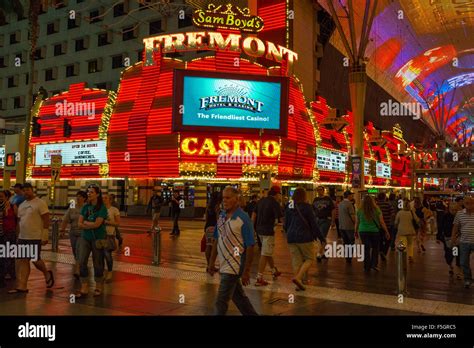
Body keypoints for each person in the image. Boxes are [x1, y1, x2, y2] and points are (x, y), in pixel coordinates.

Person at [207, 186, 257, 316]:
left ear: (237, 199)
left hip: (234, 266)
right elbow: (217, 240)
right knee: (240, 299)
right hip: (224, 265)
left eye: (228, 198)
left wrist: (246, 271)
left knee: (221, 302)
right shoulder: (222, 216)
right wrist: (211, 263)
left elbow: (251, 246)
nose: (225, 200)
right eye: (223, 198)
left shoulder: (243, 218)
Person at [8, 183, 54, 294]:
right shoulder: (22, 205)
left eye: (28, 190)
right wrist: (18, 236)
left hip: (34, 236)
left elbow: (46, 219)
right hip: (23, 237)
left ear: (32, 190)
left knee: (35, 260)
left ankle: (46, 273)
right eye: (24, 190)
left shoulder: (40, 203)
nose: (26, 192)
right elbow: (19, 222)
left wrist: (45, 235)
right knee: (23, 260)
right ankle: (22, 286)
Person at [284, 187, 321, 291]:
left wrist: (288, 232)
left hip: (291, 237)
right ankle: (298, 278)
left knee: (296, 261)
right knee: (309, 258)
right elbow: (313, 224)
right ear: (304, 196)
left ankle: (299, 283)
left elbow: (286, 222)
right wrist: (321, 237)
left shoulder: (289, 205)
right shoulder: (307, 207)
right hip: (304, 236)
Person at [76, 184, 108, 297]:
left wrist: (86, 223)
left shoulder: (102, 208)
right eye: (88, 191)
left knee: (98, 262)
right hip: (85, 238)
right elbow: (79, 224)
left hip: (98, 238)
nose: (89, 194)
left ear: (98, 194)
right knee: (82, 260)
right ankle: (84, 286)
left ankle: (98, 286)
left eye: (92, 192)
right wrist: (89, 224)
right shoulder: (85, 207)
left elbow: (97, 224)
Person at [252, 186, 283, 286]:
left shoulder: (261, 201)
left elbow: (254, 214)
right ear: (276, 194)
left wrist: (252, 227)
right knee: (265, 253)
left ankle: (274, 270)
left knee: (266, 251)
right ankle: (259, 277)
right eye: (280, 194)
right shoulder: (275, 203)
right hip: (268, 231)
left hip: (259, 230)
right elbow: (281, 218)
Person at [355, 195, 390, 272]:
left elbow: (357, 222)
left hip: (363, 231)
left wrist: (355, 231)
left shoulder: (359, 210)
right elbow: (381, 222)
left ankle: (366, 267)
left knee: (366, 249)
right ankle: (374, 265)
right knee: (375, 248)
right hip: (374, 231)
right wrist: (386, 231)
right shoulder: (377, 210)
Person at [60, 191, 88, 278]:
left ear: (84, 198)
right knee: (75, 251)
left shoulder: (87, 208)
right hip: (73, 232)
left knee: (79, 250)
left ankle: (77, 269)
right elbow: (65, 219)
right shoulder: (72, 207)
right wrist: (62, 230)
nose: (78, 198)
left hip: (83, 233)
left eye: (80, 197)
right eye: (77, 196)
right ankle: (81, 264)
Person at [452, 196, 474, 288]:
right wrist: (453, 237)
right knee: (463, 262)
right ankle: (468, 279)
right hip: (464, 242)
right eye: (466, 203)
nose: (469, 205)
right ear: (464, 204)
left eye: (471, 203)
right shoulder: (459, 214)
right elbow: (456, 226)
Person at [437, 203, 461, 278]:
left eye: (456, 210)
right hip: (447, 238)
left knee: (457, 254)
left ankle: (458, 272)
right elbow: (440, 226)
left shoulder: (460, 217)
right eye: (452, 210)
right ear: (449, 209)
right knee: (448, 255)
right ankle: (450, 265)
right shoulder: (445, 216)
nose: (454, 211)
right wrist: (438, 237)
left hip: (457, 238)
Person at [312, 186, 335, 262]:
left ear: (323, 190)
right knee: (321, 237)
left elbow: (333, 210)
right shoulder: (315, 199)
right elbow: (313, 210)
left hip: (325, 220)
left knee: (322, 236)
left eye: (320, 190)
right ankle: (325, 253)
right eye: (318, 190)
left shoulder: (328, 199)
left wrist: (332, 220)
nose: (319, 191)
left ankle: (319, 253)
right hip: (317, 220)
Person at [394, 199, 420, 263]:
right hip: (410, 231)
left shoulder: (399, 213)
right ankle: (410, 256)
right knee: (410, 244)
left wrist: (396, 227)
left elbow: (396, 222)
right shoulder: (411, 212)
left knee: (402, 244)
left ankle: (403, 256)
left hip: (402, 231)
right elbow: (417, 220)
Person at [103, 193, 121, 282]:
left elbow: (118, 223)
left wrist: (106, 222)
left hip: (109, 235)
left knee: (107, 254)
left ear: (110, 200)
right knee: (99, 255)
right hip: (98, 235)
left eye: (106, 198)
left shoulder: (114, 210)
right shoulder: (98, 209)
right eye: (103, 198)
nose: (104, 199)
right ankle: (101, 272)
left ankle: (109, 271)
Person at [1, 190, 17, 281]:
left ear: (7, 197)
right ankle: (4, 272)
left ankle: (11, 272)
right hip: (2, 232)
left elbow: (17, 219)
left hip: (10, 232)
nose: (0, 198)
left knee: (10, 253)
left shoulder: (12, 206)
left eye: (2, 196)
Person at [204, 191, 222, 269]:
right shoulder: (217, 206)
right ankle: (212, 265)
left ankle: (208, 264)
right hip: (214, 227)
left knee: (208, 246)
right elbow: (218, 218)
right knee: (215, 247)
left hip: (208, 226)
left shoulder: (208, 206)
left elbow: (206, 217)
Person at [338, 190, 356, 264]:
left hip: (341, 226)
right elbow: (352, 216)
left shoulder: (340, 204)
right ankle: (349, 257)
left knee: (345, 242)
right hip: (349, 226)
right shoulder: (349, 204)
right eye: (351, 195)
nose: (352, 196)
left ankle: (346, 256)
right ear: (348, 196)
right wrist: (356, 223)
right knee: (351, 242)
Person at [376, 193, 394, 261]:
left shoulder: (376, 204)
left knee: (379, 239)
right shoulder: (388, 204)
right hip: (387, 225)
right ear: (384, 197)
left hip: (378, 225)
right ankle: (384, 252)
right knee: (388, 239)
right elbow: (392, 213)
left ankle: (380, 250)